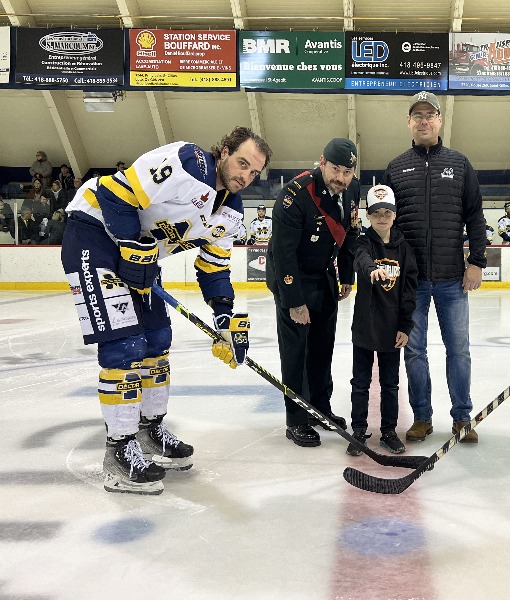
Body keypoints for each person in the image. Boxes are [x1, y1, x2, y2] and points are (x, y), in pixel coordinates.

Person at [61, 126, 271, 494]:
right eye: (242, 163)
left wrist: (224, 319)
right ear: (223, 151)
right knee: (124, 345)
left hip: (138, 256)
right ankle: (118, 449)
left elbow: (213, 267)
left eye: (254, 172)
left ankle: (148, 431)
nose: (245, 177)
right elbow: (113, 191)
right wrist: (130, 243)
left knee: (157, 340)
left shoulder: (233, 213)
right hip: (94, 232)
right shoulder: (189, 162)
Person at [384, 91, 487, 444]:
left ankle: (462, 418)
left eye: (430, 114)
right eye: (418, 115)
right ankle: (422, 418)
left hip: (451, 280)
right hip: (411, 282)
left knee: (459, 349)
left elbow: (475, 217)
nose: (424, 120)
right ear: (409, 122)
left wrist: (476, 262)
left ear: (440, 121)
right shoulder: (396, 168)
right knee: (414, 350)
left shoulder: (459, 164)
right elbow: (387, 225)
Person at [265, 138, 359, 448]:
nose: (340, 178)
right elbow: (282, 253)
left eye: (347, 172)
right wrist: (294, 301)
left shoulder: (351, 190)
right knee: (296, 353)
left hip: (323, 277)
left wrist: (346, 275)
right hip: (292, 278)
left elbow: (350, 234)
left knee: (322, 348)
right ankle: (296, 419)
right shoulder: (296, 194)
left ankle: (320, 409)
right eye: (335, 170)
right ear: (321, 162)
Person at [347, 184, 418, 457]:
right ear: (368, 215)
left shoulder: (405, 250)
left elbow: (409, 291)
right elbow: (361, 259)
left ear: (395, 215)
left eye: (387, 212)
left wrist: (405, 326)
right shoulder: (363, 243)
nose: (382, 217)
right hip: (365, 326)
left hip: (392, 329)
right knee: (360, 383)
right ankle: (358, 430)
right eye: (376, 212)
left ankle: (389, 431)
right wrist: (371, 269)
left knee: (390, 384)